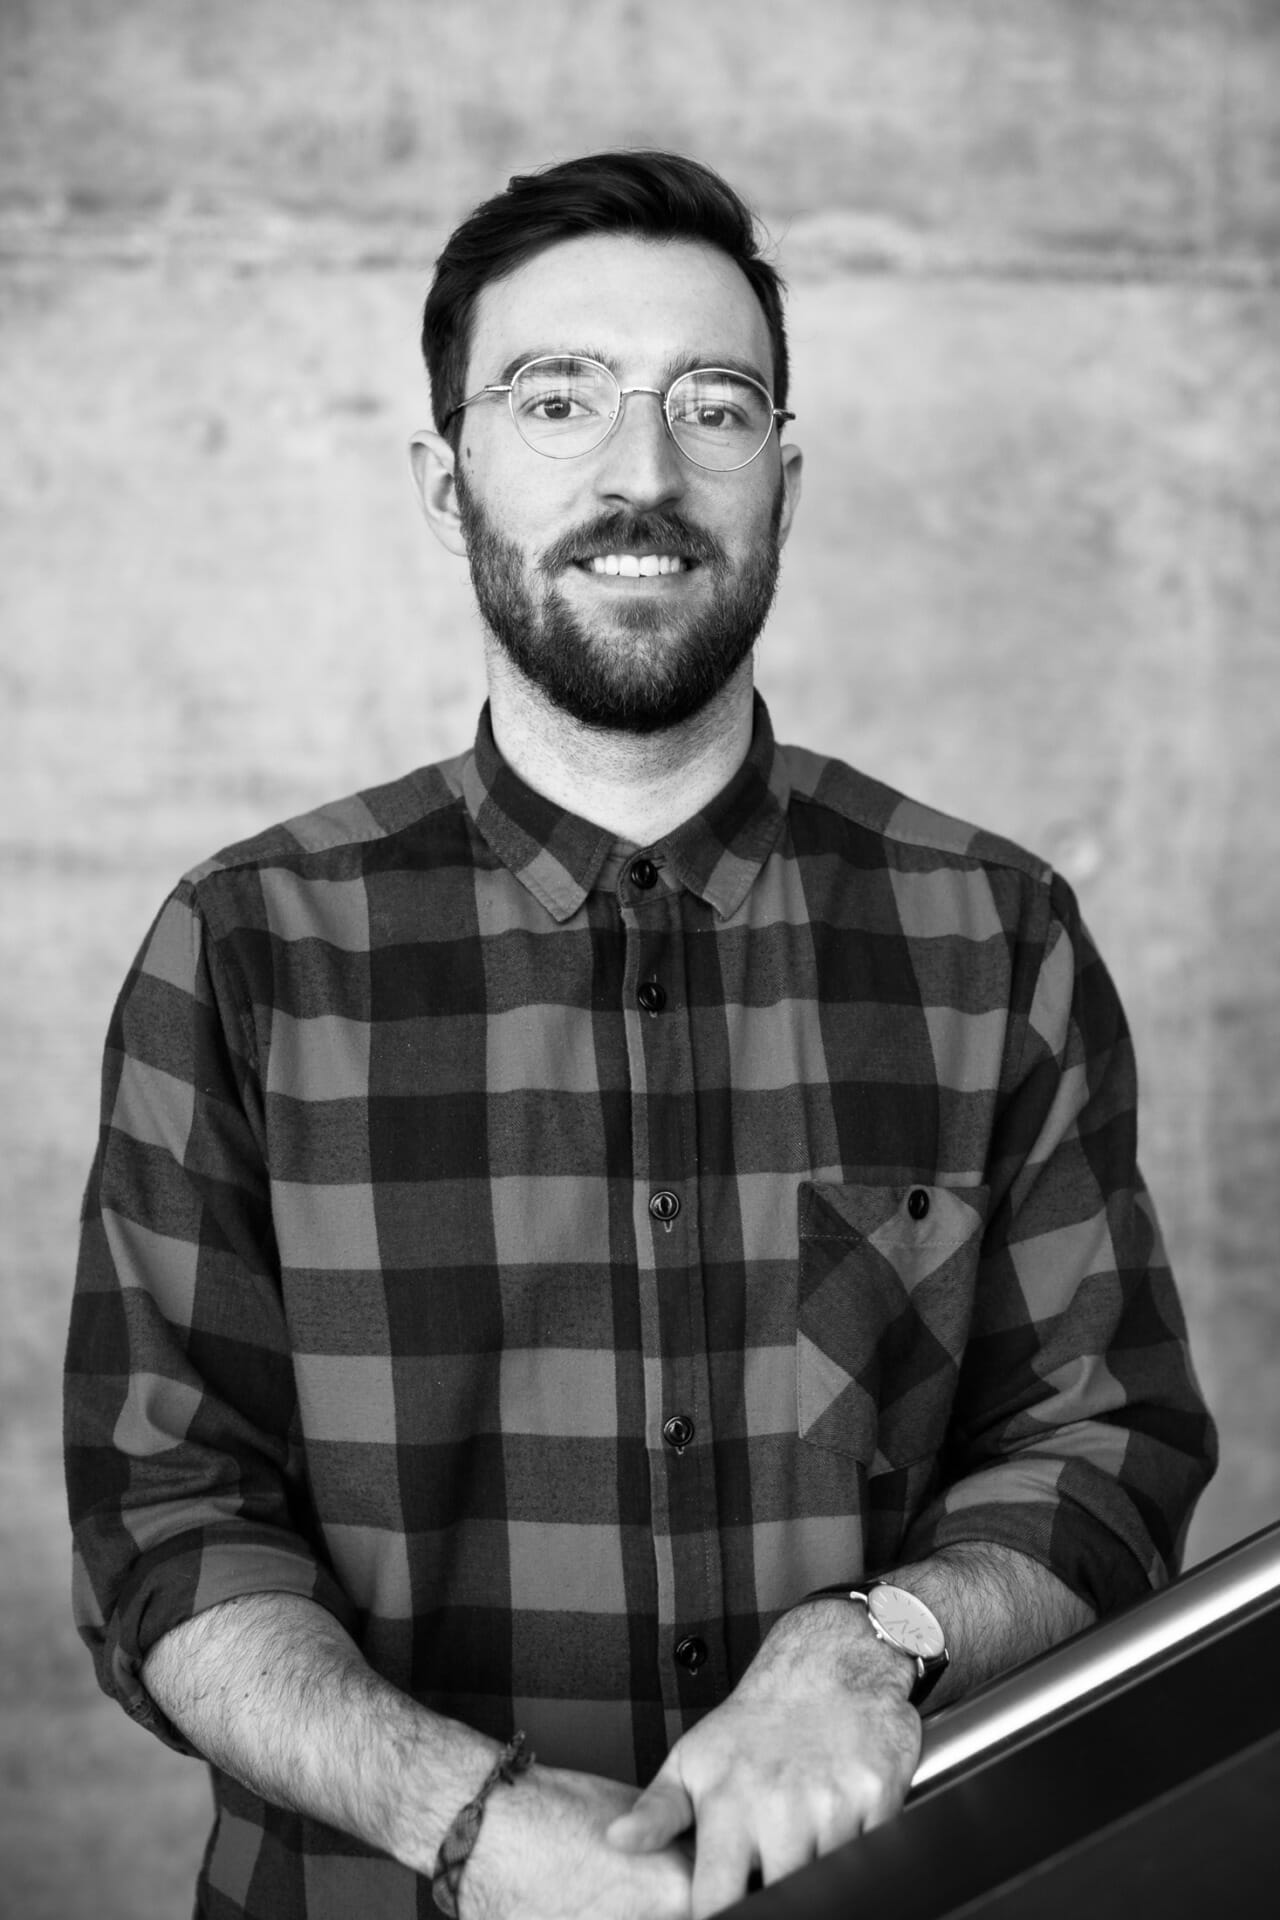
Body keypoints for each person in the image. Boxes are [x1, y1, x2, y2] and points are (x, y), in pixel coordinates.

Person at [65, 150, 1216, 1920]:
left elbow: (1107, 1442)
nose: (642, 469)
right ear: (448, 488)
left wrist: (875, 1640)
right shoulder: (246, 953)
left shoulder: (993, 935)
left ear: (785, 479)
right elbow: (167, 1520)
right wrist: (474, 1826)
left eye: (714, 403)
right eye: (558, 397)